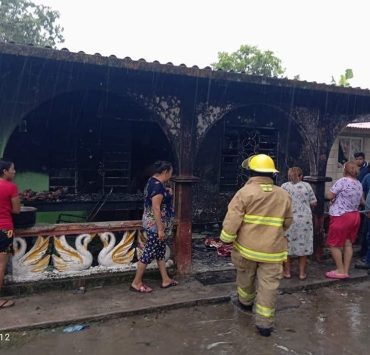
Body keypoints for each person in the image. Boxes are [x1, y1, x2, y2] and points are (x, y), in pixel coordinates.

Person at [220, 154, 292, 337]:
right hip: (273, 251)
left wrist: (225, 239)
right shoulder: (283, 194)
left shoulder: (244, 193)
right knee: (269, 286)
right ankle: (264, 324)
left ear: (251, 173)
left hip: (247, 249)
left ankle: (245, 303)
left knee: (245, 277)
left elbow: (232, 220)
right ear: (271, 174)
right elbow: (288, 222)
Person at [131, 161, 177, 293]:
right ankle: (136, 282)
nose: (171, 175)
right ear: (165, 172)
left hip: (154, 223)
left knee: (160, 252)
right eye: (170, 172)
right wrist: (161, 229)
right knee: (148, 253)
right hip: (155, 226)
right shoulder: (157, 186)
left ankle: (165, 279)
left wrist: (168, 191)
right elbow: (156, 208)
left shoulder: (153, 182)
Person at [325, 161, 363, 279]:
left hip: (341, 216)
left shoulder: (342, 181)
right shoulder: (358, 183)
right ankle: (346, 270)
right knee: (348, 244)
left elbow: (329, 196)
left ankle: (340, 271)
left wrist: (333, 197)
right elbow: (362, 201)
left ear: (345, 170)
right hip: (355, 216)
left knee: (334, 244)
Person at [281, 167, 317, 280]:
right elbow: (314, 202)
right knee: (303, 245)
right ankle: (302, 273)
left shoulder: (284, 186)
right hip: (305, 220)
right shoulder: (307, 186)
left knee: (286, 246)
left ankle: (287, 272)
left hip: (288, 219)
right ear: (301, 176)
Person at [0, 160, 21, 309]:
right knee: (0, 265)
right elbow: (16, 210)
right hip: (4, 230)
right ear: (5, 171)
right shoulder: (11, 187)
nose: (14, 172)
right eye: (12, 169)